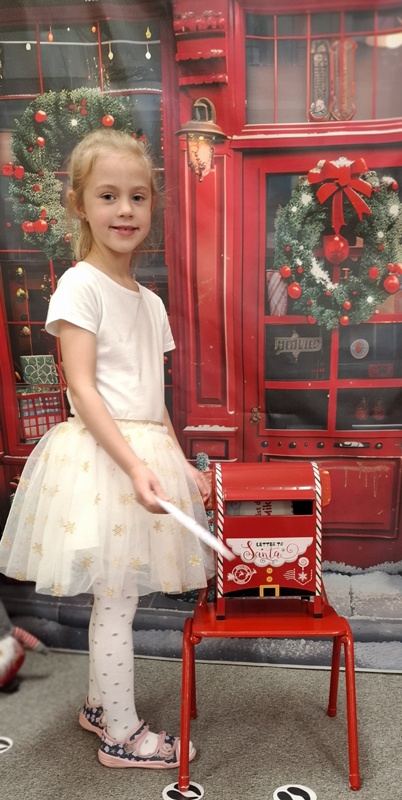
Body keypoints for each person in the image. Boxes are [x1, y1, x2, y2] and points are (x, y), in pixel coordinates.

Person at [0, 128, 215, 768]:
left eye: (138, 197)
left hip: (143, 452)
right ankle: (122, 734)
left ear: (152, 205)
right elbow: (83, 389)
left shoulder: (151, 303)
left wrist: (178, 463)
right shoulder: (80, 285)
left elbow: (154, 397)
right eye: (108, 195)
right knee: (117, 603)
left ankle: (99, 707)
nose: (125, 210)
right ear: (79, 204)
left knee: (116, 600)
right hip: (104, 459)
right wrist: (136, 466)